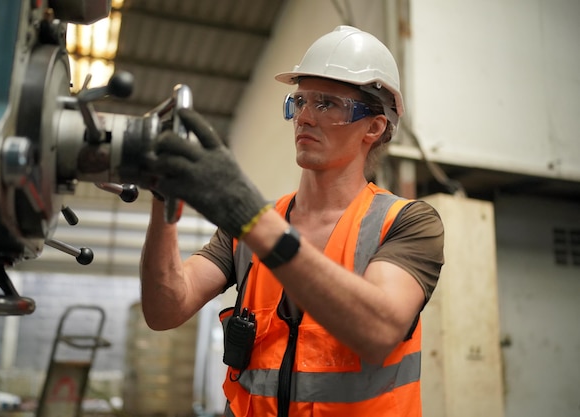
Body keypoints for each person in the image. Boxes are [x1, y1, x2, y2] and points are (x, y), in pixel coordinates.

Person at [140, 25, 444, 417]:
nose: (304, 117)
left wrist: (252, 218)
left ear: (374, 126)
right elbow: (165, 310)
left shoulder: (408, 223)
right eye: (299, 101)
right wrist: (162, 199)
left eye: (327, 104)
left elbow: (379, 331)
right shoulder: (249, 228)